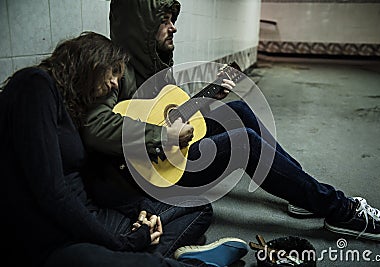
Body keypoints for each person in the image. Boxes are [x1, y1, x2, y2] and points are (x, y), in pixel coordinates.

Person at [81, 0, 380, 244]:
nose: (173, 27)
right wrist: (164, 133)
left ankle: (304, 193)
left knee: (239, 112)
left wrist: (208, 96)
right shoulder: (113, 69)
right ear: (141, 26)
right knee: (242, 140)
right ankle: (341, 211)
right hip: (150, 176)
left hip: (166, 153)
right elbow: (95, 127)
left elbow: (168, 112)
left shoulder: (154, 66)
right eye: (164, 20)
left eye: (173, 19)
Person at [0, 32, 249, 267]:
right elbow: (52, 193)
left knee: (197, 205)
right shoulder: (34, 85)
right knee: (148, 260)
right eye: (113, 73)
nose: (113, 84)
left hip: (91, 213)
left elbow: (90, 178)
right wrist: (121, 242)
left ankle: (142, 255)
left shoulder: (72, 104)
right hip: (57, 234)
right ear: (90, 62)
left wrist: (141, 207)